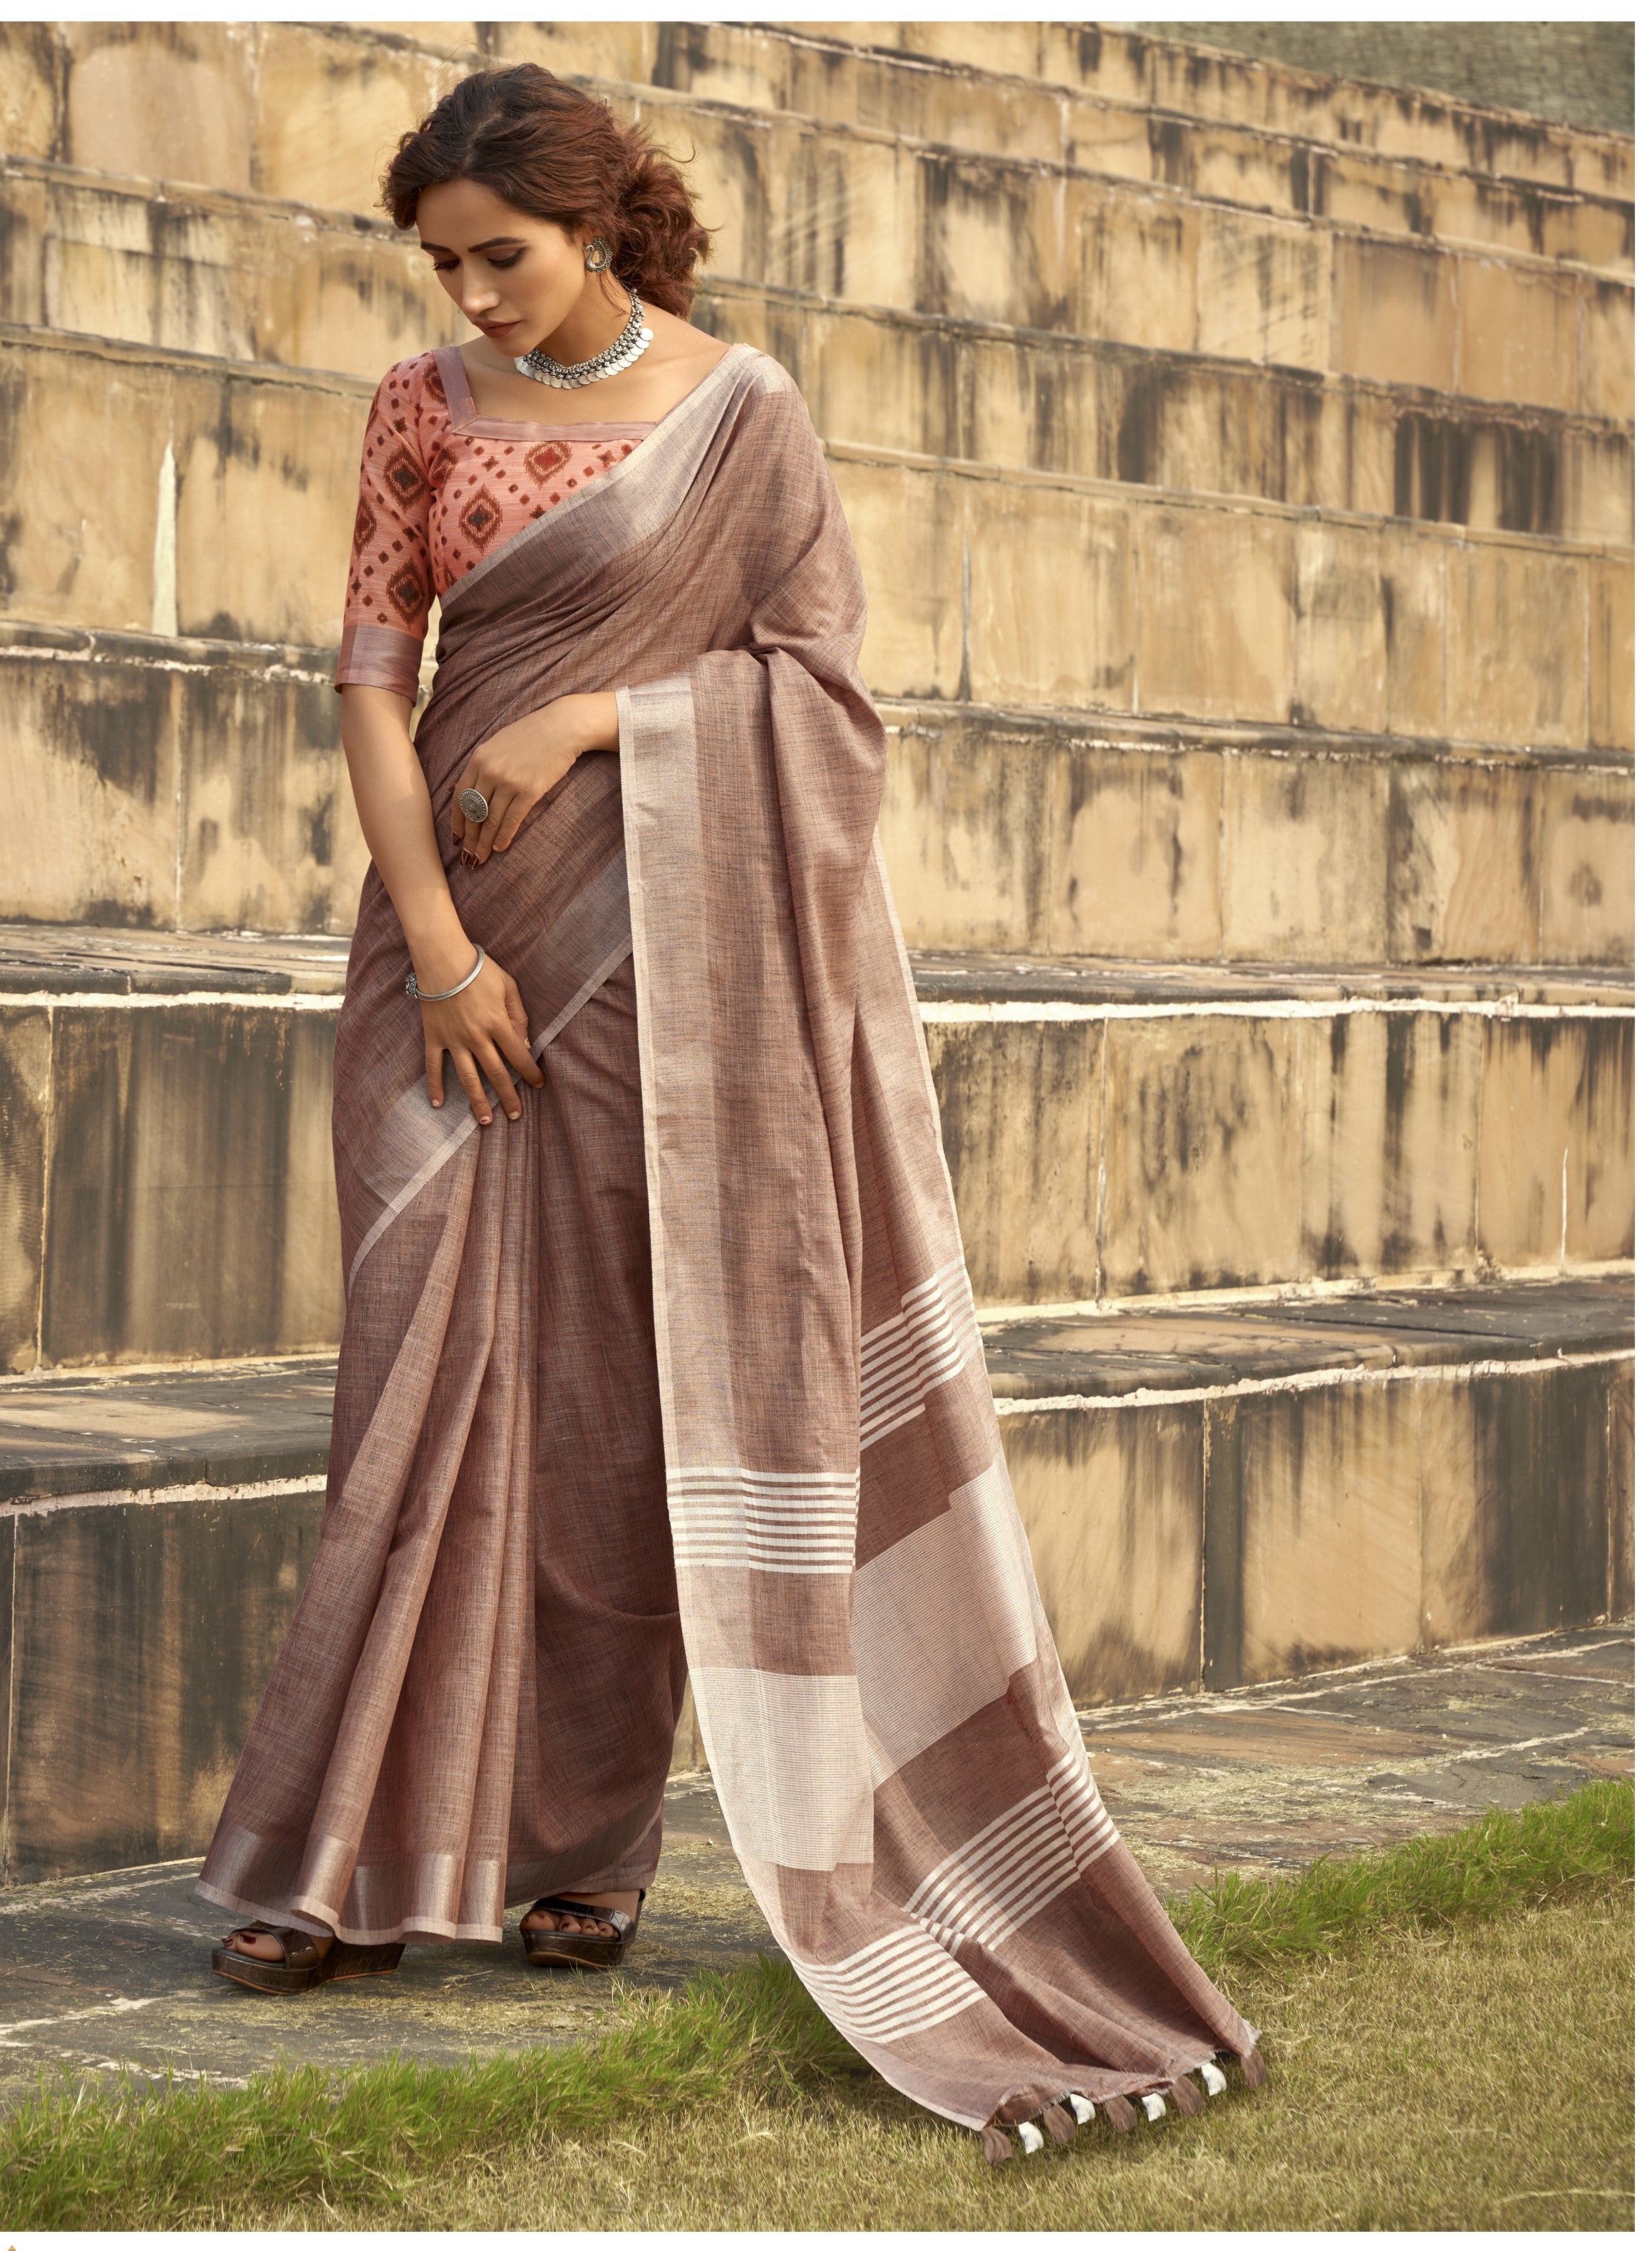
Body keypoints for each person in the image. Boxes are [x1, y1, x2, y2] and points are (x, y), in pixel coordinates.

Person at [193, 61, 1266, 2160]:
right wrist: (439, 946)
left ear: (600, 225)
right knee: (410, 1391)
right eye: (442, 265)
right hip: (445, 961)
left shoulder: (739, 415)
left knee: (612, 1411)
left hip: (664, 975)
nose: (471, 297)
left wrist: (595, 714)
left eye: (501, 256)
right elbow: (371, 674)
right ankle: (341, 1867)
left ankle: (582, 1851)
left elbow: (825, 693)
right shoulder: (419, 409)